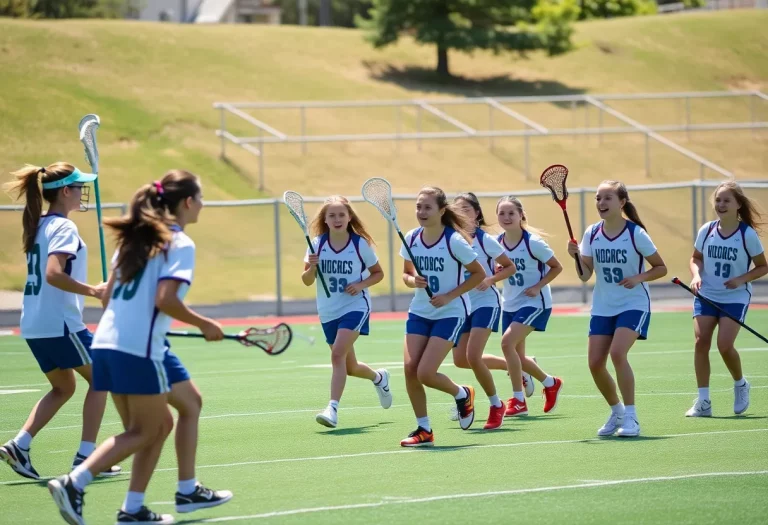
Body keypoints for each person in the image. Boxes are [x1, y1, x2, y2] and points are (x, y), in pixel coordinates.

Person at [48, 170, 226, 525]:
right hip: (137, 348)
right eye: (200, 199)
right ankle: (75, 482)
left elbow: (109, 296)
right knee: (144, 431)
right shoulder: (180, 244)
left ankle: (155, 501)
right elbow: (166, 299)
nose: (202, 205)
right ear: (187, 202)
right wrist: (204, 323)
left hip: (110, 343)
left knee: (185, 407)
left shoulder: (132, 242)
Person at [0, 163, 120, 480]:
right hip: (61, 324)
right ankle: (87, 457)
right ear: (66, 191)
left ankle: (19, 444)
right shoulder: (64, 228)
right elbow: (54, 274)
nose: (83, 193)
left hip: (36, 324)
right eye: (79, 187)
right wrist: (93, 290)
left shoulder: (39, 224)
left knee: (63, 386)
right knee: (102, 377)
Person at [567, 180, 667, 438]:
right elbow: (584, 275)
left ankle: (632, 417)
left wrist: (638, 278)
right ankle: (617, 411)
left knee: (617, 353)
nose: (601, 203)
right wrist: (576, 256)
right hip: (603, 305)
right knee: (594, 363)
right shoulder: (592, 233)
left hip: (633, 303)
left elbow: (660, 267)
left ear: (621, 202)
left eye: (607, 198)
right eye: (598, 198)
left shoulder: (636, 233)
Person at [399, 186, 486, 447]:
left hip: (450, 312)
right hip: (420, 311)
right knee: (410, 370)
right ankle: (424, 429)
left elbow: (479, 274)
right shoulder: (412, 238)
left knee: (426, 373)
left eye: (427, 207)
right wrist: (413, 280)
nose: (421, 212)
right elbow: (405, 275)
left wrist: (449, 295)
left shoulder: (454, 241)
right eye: (418, 207)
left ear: (441, 211)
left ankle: (462, 394)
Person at [302, 195, 392, 428]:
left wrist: (360, 285)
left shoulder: (359, 244)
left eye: (341, 214)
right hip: (328, 310)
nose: (337, 219)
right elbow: (306, 281)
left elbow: (378, 273)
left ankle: (332, 408)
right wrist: (312, 266)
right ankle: (379, 378)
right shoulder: (317, 244)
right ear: (325, 219)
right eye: (331, 215)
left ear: (349, 216)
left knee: (336, 355)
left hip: (355, 306)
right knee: (349, 367)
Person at [686, 181, 766, 417]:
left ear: (738, 205)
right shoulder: (707, 230)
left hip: (735, 297)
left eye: (726, 200)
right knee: (701, 342)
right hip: (707, 294)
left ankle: (740, 384)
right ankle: (703, 401)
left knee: (724, 345)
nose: (720, 204)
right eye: (718, 200)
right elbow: (695, 258)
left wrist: (741, 279)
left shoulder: (746, 234)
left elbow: (763, 267)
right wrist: (696, 276)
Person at [450, 193, 516, 430]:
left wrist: (490, 280)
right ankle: (517, 365)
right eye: (457, 209)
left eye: (466, 209)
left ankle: (496, 404)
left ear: (477, 213)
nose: (462, 213)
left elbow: (510, 267)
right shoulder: (451, 240)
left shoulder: (485, 240)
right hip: (463, 305)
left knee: (473, 356)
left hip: (486, 303)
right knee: (460, 360)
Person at [496, 196, 564, 418]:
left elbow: (556, 267)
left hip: (535, 302)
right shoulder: (497, 243)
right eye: (502, 213)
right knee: (517, 356)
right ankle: (550, 382)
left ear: (521, 216)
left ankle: (518, 400)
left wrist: (538, 286)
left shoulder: (532, 242)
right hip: (510, 303)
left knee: (506, 344)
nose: (506, 217)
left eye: (511, 213)